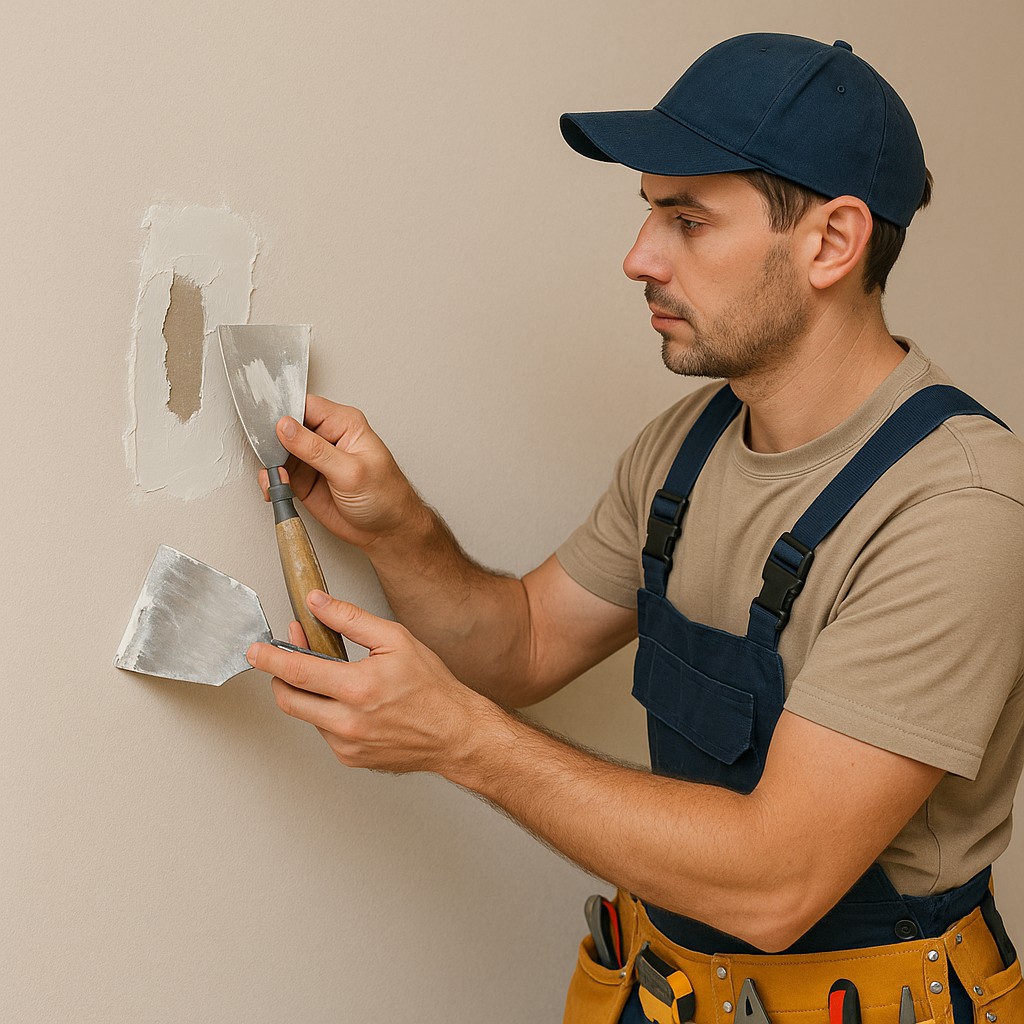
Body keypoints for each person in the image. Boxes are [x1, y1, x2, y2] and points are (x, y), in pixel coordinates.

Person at [246, 33, 1024, 1024]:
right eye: (649, 213)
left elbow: (777, 882)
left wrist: (460, 740)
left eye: (688, 221)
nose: (637, 258)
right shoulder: (688, 450)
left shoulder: (954, 506)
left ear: (831, 242)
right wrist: (396, 525)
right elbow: (521, 646)